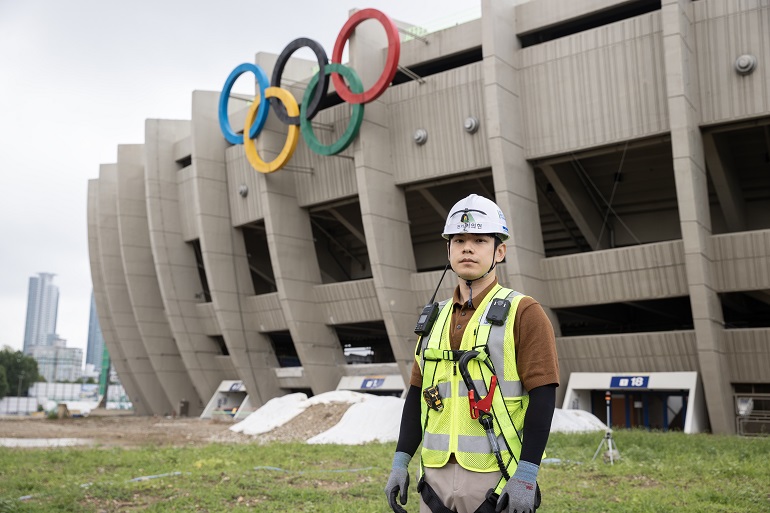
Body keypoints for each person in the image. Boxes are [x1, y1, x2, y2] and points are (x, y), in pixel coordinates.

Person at [385, 194, 559, 513]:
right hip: (433, 479)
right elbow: (415, 395)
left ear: (499, 251)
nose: (467, 248)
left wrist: (527, 474)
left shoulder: (524, 312)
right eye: (459, 240)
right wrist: (400, 461)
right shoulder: (433, 318)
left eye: (479, 239)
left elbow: (544, 395)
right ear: (448, 249)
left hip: (496, 477)